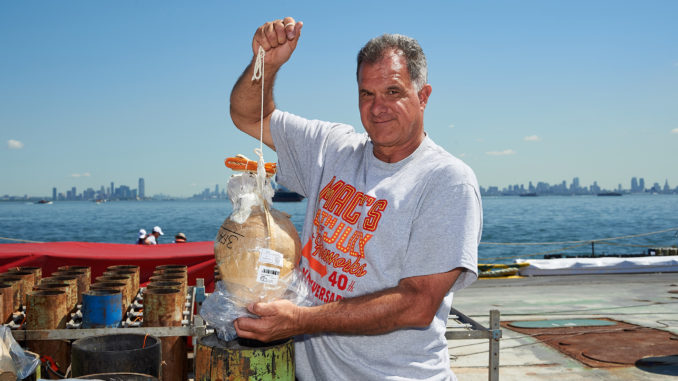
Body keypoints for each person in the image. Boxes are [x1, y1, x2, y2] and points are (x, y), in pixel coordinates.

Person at [229, 17, 482, 380]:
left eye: (393, 92)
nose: (378, 107)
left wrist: (299, 320)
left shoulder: (447, 181)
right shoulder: (332, 148)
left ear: (423, 96)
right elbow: (249, 115)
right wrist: (265, 64)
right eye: (367, 93)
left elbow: (417, 304)